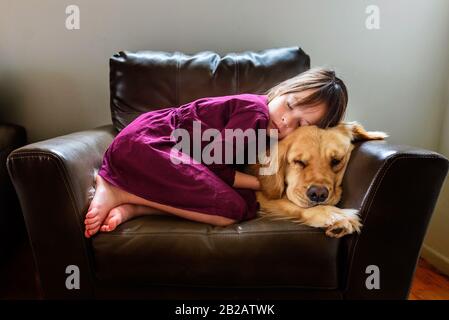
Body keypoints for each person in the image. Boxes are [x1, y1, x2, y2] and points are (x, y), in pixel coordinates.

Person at [84, 67, 348, 238]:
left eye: (302, 124)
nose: (287, 121)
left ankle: (137, 207)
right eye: (290, 105)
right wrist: (264, 182)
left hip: (162, 148)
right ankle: (119, 190)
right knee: (229, 210)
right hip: (150, 143)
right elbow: (219, 167)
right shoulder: (254, 113)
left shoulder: (269, 134)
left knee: (243, 203)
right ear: (282, 91)